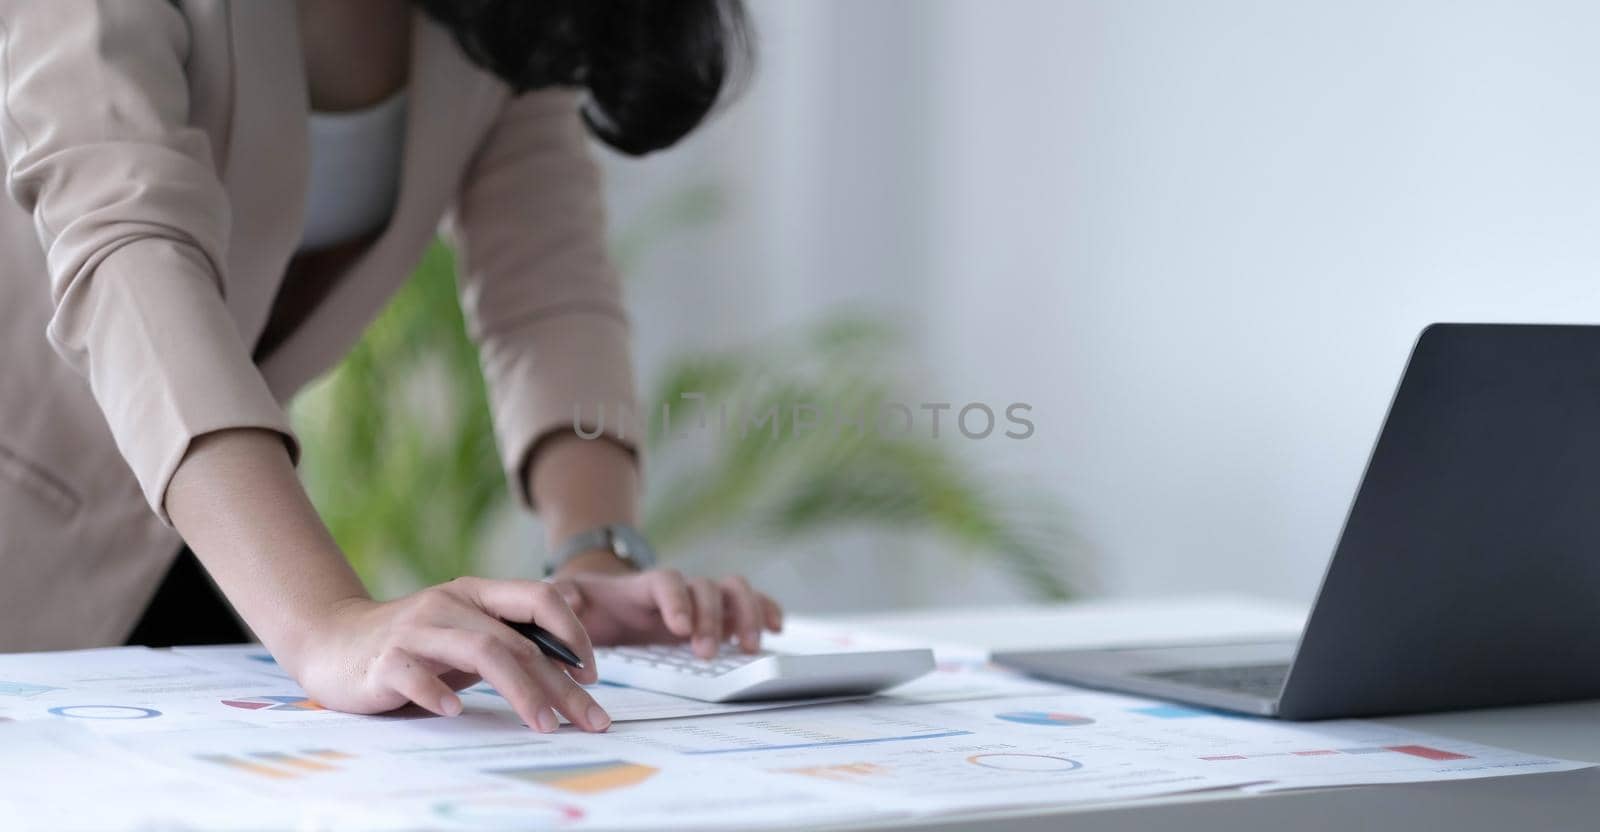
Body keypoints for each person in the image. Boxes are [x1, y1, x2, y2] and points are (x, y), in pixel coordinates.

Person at [0, 0, 780, 735]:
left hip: (190, 536)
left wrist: (595, 555)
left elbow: (548, 285)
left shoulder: (497, 20)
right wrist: (325, 620)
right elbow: (125, 247)